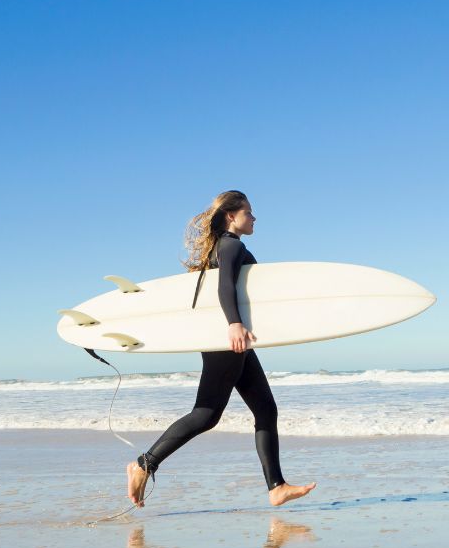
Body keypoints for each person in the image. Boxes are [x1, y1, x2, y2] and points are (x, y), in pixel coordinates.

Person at [125, 190, 316, 508]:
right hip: (229, 339)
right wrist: (234, 324)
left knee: (265, 409)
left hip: (232, 340)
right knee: (206, 414)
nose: (254, 218)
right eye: (248, 212)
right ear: (231, 215)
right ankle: (144, 464)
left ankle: (277, 487)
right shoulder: (231, 245)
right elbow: (224, 286)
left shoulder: (221, 247)